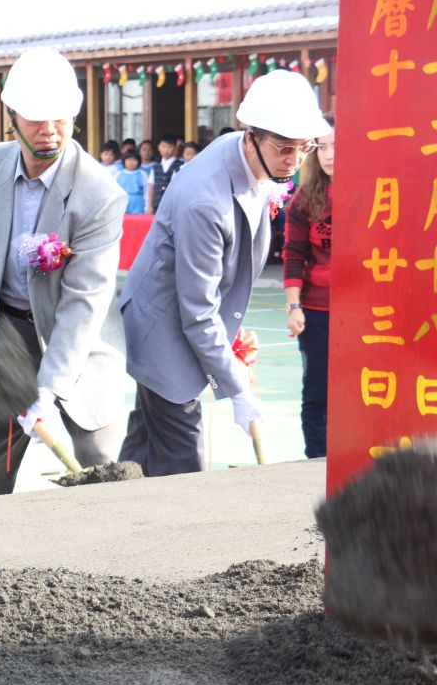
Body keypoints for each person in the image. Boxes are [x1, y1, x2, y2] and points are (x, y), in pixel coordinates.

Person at [117, 70, 331, 476]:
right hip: (165, 334)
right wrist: (235, 388)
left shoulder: (245, 154)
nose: (295, 160)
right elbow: (197, 310)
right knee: (186, 467)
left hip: (175, 322)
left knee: (141, 456)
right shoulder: (206, 202)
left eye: (305, 148)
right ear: (251, 135)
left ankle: (108, 512)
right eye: (285, 148)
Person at [0, 47, 127, 498]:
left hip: (76, 339)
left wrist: (48, 388)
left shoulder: (99, 192)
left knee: (99, 465)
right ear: (12, 115)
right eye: (36, 119)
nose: (49, 131)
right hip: (3, 330)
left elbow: (85, 303)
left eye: (60, 119)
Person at [283, 116, 334, 459]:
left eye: (338, 146)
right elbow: (294, 254)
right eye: (323, 146)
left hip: (370, 312)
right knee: (317, 395)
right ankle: (317, 462)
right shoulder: (304, 199)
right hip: (317, 312)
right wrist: (293, 306)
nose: (329, 154)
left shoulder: (378, 190)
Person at [149, 133, 183, 213]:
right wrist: (149, 206)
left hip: (172, 206)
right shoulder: (155, 166)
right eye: (164, 146)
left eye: (169, 147)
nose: (166, 150)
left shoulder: (180, 166)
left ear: (175, 148)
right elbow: (151, 187)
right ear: (159, 147)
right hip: (156, 205)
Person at [115, 150, 146, 215]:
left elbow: (147, 192)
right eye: (129, 160)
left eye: (134, 160)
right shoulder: (118, 174)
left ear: (139, 161)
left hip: (138, 204)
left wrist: (147, 207)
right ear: (124, 161)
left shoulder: (142, 174)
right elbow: (114, 192)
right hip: (122, 203)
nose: (131, 162)